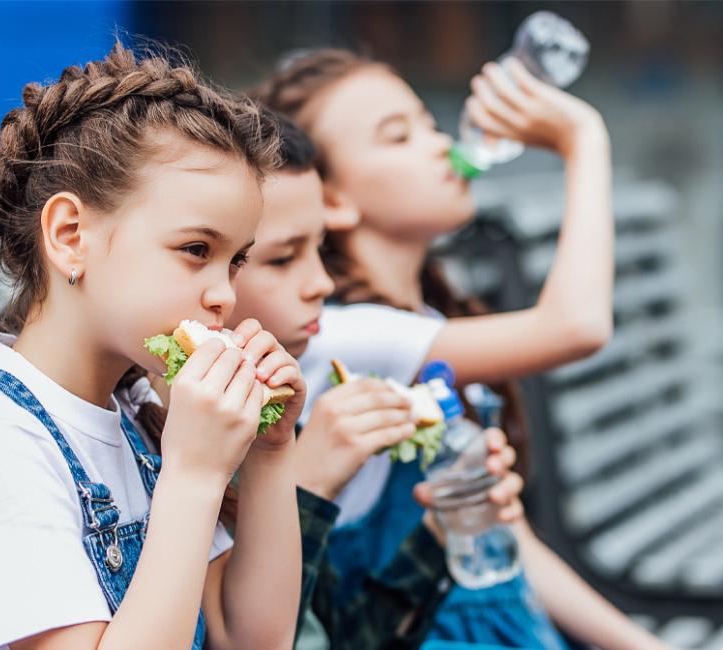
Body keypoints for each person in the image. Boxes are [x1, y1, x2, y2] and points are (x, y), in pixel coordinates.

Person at [0, 45, 303, 650]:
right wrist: (193, 476)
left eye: (237, 260)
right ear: (69, 236)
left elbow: (251, 638)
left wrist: (269, 455)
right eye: (196, 249)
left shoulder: (136, 415)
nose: (223, 295)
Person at [255, 49, 673, 650]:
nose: (438, 144)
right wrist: (583, 141)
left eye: (429, 124)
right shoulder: (340, 336)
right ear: (333, 199)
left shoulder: (422, 320)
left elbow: (509, 537)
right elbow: (578, 325)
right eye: (398, 136)